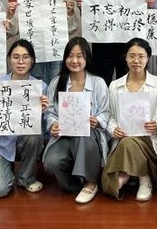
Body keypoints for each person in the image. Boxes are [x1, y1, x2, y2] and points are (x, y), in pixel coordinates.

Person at [0, 40, 49, 197]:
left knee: (34, 135)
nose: (21, 61)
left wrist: (43, 112)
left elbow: (44, 129)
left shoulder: (40, 87)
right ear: (9, 59)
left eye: (25, 57)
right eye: (16, 57)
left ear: (32, 60)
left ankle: (26, 178)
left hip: (24, 143)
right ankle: (5, 170)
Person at [44, 37, 111, 204]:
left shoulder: (98, 82)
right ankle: (74, 185)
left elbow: (106, 111)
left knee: (83, 132)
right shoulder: (56, 83)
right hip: (64, 136)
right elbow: (49, 112)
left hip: (89, 136)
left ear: (87, 58)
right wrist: (52, 124)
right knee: (51, 162)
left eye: (79, 56)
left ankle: (90, 183)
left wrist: (97, 120)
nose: (74, 61)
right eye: (70, 56)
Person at [101, 38, 157, 201]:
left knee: (128, 143)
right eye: (131, 56)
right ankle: (141, 177)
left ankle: (141, 179)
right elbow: (110, 116)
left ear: (148, 58)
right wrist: (113, 129)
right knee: (127, 141)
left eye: (141, 56)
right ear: (125, 58)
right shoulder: (115, 85)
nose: (136, 60)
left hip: (150, 141)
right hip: (123, 139)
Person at [7, 0, 80, 87]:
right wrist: (10, 15)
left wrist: (70, 13)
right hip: (32, 53)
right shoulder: (24, 2)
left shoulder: (65, 1)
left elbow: (71, 29)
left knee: (57, 84)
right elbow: (13, 31)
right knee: (35, 87)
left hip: (57, 52)